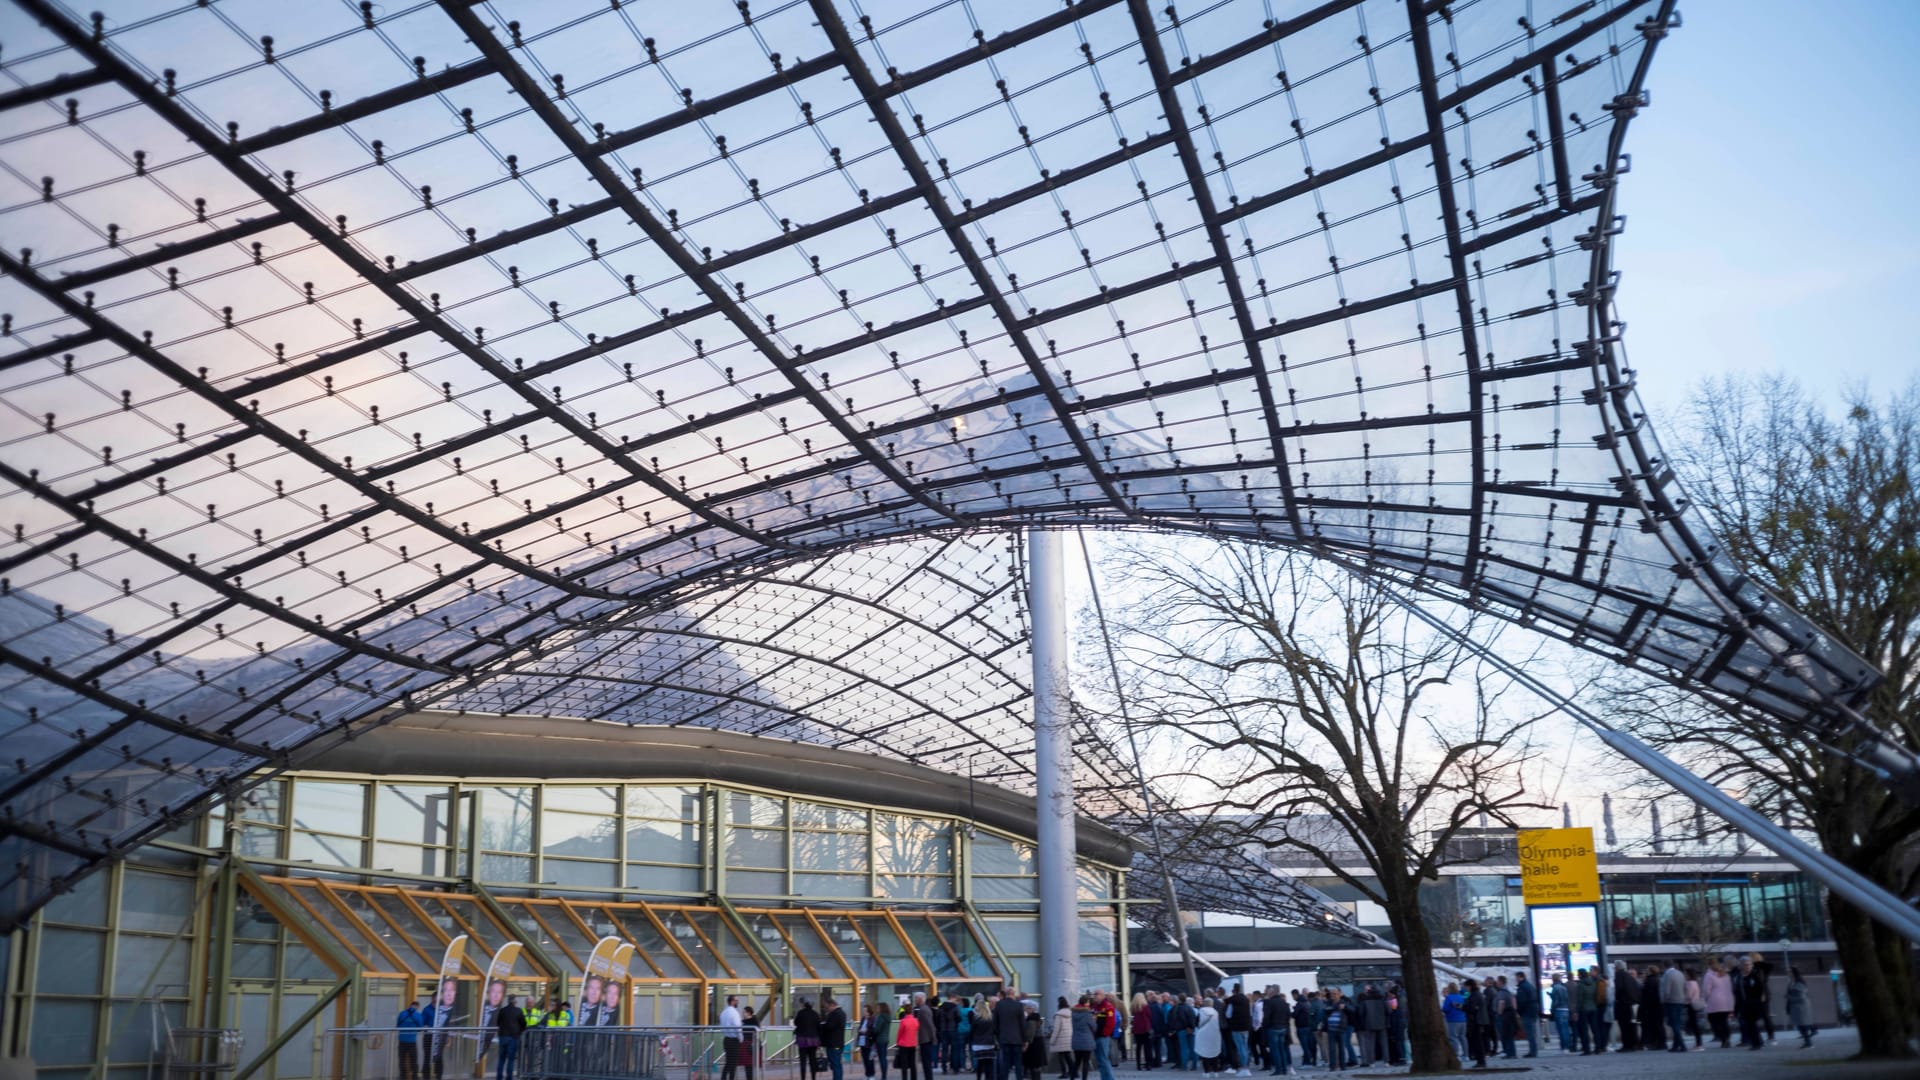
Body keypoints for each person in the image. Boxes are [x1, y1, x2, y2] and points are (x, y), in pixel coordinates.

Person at [994, 989, 1028, 1080]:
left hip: (1004, 1038)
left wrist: (997, 1037)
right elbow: (1022, 1024)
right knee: (1018, 1063)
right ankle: (1019, 1078)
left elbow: (995, 1023)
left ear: (1006, 994)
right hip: (1017, 1039)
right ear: (1013, 994)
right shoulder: (1019, 1005)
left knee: (1005, 1063)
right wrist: (1025, 1040)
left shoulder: (999, 1005)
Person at [1734, 956, 1767, 1050]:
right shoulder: (1738, 978)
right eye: (1745, 965)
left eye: (1749, 965)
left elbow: (1760, 990)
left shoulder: (1755, 976)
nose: (1747, 967)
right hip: (1743, 1005)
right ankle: (1756, 1042)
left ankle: (1757, 1043)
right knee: (1748, 1025)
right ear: (1740, 966)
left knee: (1751, 1024)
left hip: (1753, 1004)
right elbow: (1736, 992)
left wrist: (1757, 1003)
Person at [1702, 959, 1735, 1048]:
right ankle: (1727, 1038)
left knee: (1714, 1022)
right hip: (1726, 1002)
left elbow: (1706, 990)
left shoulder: (1709, 975)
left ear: (1709, 965)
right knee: (1724, 1021)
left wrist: (1705, 999)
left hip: (1714, 1002)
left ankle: (1723, 1038)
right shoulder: (1726, 975)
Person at [494, 994, 527, 1080]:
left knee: (501, 1059)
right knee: (511, 1060)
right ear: (515, 1001)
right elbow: (524, 1024)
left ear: (508, 1001)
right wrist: (520, 1031)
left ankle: (499, 1077)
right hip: (513, 1037)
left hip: (503, 1036)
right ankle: (509, 1078)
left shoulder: (502, 1010)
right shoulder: (518, 1011)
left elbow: (498, 1022)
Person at [1258, 987, 1290, 1076]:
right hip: (1283, 1028)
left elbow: (1266, 1017)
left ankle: (1278, 1069)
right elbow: (1288, 1014)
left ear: (1272, 993)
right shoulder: (1283, 1002)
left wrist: (1264, 1026)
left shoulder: (1269, 1002)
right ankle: (1284, 1069)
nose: (1267, 994)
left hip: (1273, 1028)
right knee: (1282, 1049)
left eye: (1268, 992)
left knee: (1275, 1050)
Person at [1659, 960, 1689, 1052]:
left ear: (1664, 966)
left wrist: (1663, 1000)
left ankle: (1682, 1045)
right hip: (1680, 1001)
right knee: (1677, 1023)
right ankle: (1675, 1046)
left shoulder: (1667, 975)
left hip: (1671, 1002)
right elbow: (1685, 987)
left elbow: (1666, 990)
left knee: (1674, 1024)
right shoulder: (1680, 973)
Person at [1460, 980, 1489, 1070]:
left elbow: (1472, 1008)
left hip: (1477, 1020)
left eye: (1466, 986)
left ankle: (1480, 1060)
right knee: (1477, 1041)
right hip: (1477, 1020)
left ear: (1470, 986)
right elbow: (1467, 1002)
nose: (1465, 988)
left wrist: (1463, 1007)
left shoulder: (1474, 995)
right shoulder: (1473, 994)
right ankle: (1479, 1059)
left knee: (1478, 1041)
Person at [1191, 994, 1221, 1076]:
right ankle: (1215, 1072)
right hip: (1214, 1034)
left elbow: (1196, 1023)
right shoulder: (1216, 1012)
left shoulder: (1201, 1011)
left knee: (1204, 1053)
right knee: (1214, 1052)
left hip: (1203, 1035)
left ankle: (1206, 1072)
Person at [861, 1002, 893, 1080]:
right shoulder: (888, 1017)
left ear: (882, 1008)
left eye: (878, 1008)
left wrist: (871, 1031)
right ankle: (884, 1075)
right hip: (885, 1039)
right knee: (883, 1058)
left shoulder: (880, 1017)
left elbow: (876, 1030)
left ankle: (883, 1076)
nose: (877, 1009)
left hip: (879, 1040)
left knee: (881, 1059)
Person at [1611, 962, 1639, 1051]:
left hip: (1622, 1004)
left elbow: (1619, 989)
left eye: (1614, 967)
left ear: (1617, 968)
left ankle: (1626, 1045)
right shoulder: (1629, 976)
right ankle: (1633, 1044)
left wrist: (1617, 998)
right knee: (1630, 1025)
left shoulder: (1619, 975)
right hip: (1630, 1004)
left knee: (1623, 1026)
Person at [396, 999, 425, 1080]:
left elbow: (397, 1025)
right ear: (417, 1007)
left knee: (402, 1061)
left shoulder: (402, 1013)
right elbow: (421, 1027)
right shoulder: (418, 1015)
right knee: (413, 1061)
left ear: (410, 1005)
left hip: (401, 1040)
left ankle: (403, 1077)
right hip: (412, 1041)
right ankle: (415, 1077)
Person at [1785, 967, 1814, 1048]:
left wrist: (1789, 997)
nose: (1788, 973)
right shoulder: (1791, 982)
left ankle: (1808, 1042)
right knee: (1800, 1025)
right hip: (1795, 1007)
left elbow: (1801, 996)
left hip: (1801, 1007)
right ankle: (1808, 1041)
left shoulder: (1799, 982)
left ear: (1794, 972)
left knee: (1802, 1025)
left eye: (1789, 971)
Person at [796, 998, 824, 1080]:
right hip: (813, 1041)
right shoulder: (815, 1014)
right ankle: (813, 1078)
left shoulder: (800, 1013)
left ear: (804, 1005)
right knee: (812, 1060)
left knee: (803, 1062)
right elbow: (819, 1027)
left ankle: (803, 1078)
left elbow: (796, 1023)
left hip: (802, 1040)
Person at [1513, 972, 1538, 1058]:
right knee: (1531, 1032)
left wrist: (1518, 1011)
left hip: (1527, 1012)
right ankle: (1533, 1051)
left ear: (1520, 977)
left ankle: (1533, 1052)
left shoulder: (1522, 987)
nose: (1515, 979)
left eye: (1516, 977)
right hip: (1532, 1011)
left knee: (1529, 1033)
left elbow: (1521, 1001)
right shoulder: (1529, 986)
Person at [823, 996, 849, 1080]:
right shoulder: (841, 1013)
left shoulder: (836, 1014)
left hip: (834, 1043)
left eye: (827, 1007)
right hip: (837, 1043)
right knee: (836, 1064)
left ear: (832, 1005)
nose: (827, 1009)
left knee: (836, 1064)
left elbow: (829, 1026)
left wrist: (822, 1025)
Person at [1638, 965, 1663, 1052]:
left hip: (1650, 1007)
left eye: (1647, 970)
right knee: (1658, 1025)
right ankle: (1660, 1043)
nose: (1646, 972)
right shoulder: (1658, 980)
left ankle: (1654, 1043)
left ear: (1651, 971)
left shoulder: (1649, 981)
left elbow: (1646, 996)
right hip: (1658, 1006)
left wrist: (1644, 1007)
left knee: (1652, 1026)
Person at [722, 995, 746, 1080]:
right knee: (733, 1063)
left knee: (728, 1062)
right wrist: (741, 1039)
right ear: (732, 1001)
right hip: (734, 1041)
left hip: (726, 1040)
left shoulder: (724, 1012)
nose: (738, 1002)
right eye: (736, 1000)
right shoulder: (734, 1013)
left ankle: (724, 1078)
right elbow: (737, 1027)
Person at [1573, 970, 1597, 1054]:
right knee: (1595, 1029)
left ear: (1580, 975)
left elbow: (1579, 999)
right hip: (1593, 1008)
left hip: (1584, 1009)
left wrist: (1576, 1011)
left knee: (1584, 1030)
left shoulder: (1580, 985)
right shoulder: (1593, 983)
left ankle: (1587, 1049)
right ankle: (1598, 1048)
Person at [1440, 983, 1466, 1059]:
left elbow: (1445, 1009)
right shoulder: (1461, 996)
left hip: (1452, 1020)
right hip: (1463, 1019)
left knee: (1453, 1038)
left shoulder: (1449, 998)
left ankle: (1455, 1055)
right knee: (1463, 1037)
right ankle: (1466, 1054)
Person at [1547, 974, 1571, 1053]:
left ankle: (1564, 1047)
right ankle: (1567, 1046)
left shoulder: (1555, 988)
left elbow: (1556, 1001)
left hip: (1559, 1010)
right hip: (1565, 1009)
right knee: (1566, 1029)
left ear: (1553, 979)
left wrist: (1552, 1009)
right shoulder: (1564, 987)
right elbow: (1566, 998)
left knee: (1561, 1030)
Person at [742, 1006, 762, 1080]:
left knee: (751, 1066)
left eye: (744, 1012)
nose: (743, 1014)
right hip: (746, 1045)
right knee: (748, 1066)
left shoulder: (754, 1021)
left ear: (749, 1013)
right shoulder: (744, 1022)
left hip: (751, 1045)